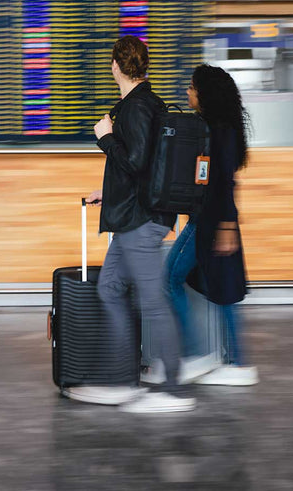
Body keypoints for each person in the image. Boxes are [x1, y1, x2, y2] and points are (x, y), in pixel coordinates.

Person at [63, 35, 196, 413]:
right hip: (134, 216)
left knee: (153, 301)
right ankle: (122, 378)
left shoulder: (136, 108)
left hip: (140, 222)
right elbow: (143, 167)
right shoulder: (145, 104)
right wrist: (109, 190)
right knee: (110, 289)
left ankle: (171, 389)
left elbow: (135, 161)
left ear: (116, 67)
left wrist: (104, 139)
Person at [163, 64, 258, 386]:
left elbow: (226, 182)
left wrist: (228, 227)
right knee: (222, 292)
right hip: (208, 220)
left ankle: (195, 357)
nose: (187, 92)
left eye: (192, 87)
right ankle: (236, 363)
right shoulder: (209, 127)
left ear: (205, 93)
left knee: (172, 278)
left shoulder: (220, 131)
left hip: (212, 223)